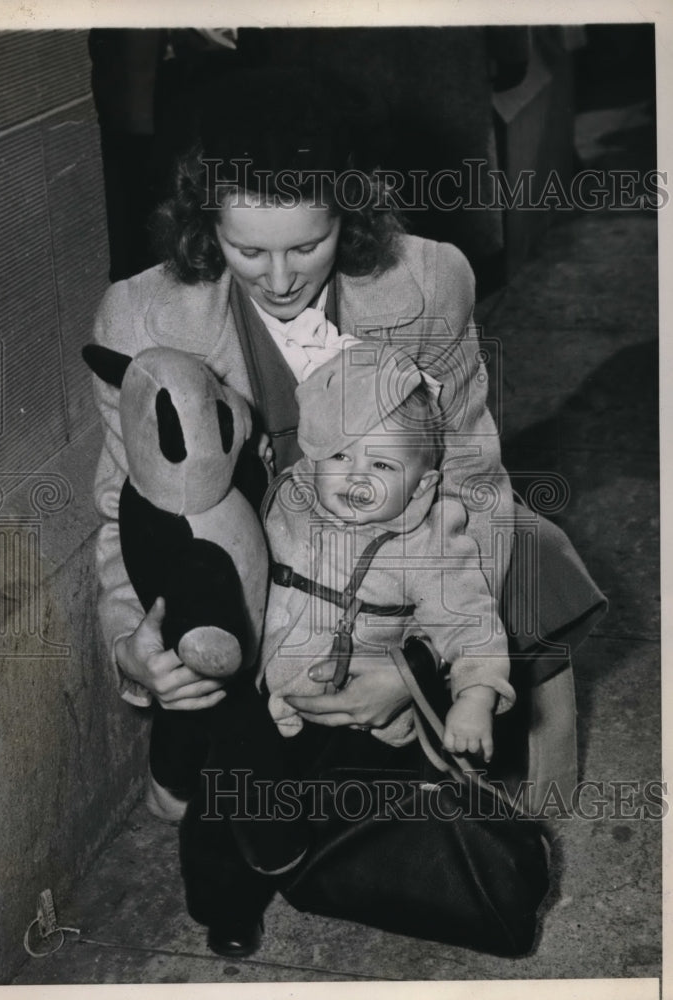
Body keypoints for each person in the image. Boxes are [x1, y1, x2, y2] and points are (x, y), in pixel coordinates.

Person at [88, 68, 605, 957]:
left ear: (351, 215)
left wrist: (404, 670)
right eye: (248, 251)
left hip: (394, 561)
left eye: (309, 243)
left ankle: (497, 728)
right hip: (257, 580)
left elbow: (474, 484)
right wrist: (140, 649)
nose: (280, 278)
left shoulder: (431, 281)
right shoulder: (139, 315)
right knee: (258, 791)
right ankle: (205, 742)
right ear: (205, 223)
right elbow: (125, 515)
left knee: (531, 548)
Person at [261, 345, 515, 761]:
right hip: (276, 705)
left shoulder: (426, 547)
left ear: (420, 486)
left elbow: (472, 625)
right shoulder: (292, 499)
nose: (356, 475)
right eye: (340, 455)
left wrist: (474, 698)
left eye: (382, 465)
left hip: (368, 729)